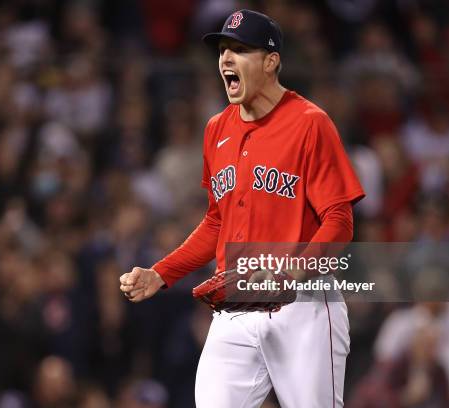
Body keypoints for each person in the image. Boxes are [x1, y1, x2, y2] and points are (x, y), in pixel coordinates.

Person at [119, 9, 365, 408]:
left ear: (271, 62)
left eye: (240, 49)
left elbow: (339, 220)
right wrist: (161, 273)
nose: (226, 59)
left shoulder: (310, 123)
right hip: (236, 305)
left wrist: (296, 269)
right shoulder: (217, 128)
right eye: (222, 50)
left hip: (302, 305)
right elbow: (217, 221)